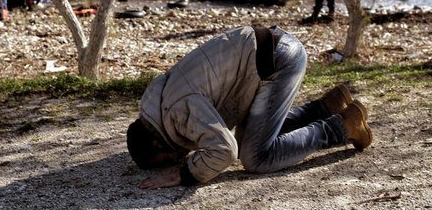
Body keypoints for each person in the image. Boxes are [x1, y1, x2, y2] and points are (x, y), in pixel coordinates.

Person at [126, 26, 372, 188]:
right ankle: (325, 107)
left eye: (165, 159)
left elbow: (225, 151)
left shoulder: (178, 112)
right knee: (251, 141)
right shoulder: (156, 102)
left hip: (277, 62)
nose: (178, 157)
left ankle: (342, 127)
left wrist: (184, 174)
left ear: (157, 142)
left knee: (256, 158)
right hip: (270, 51)